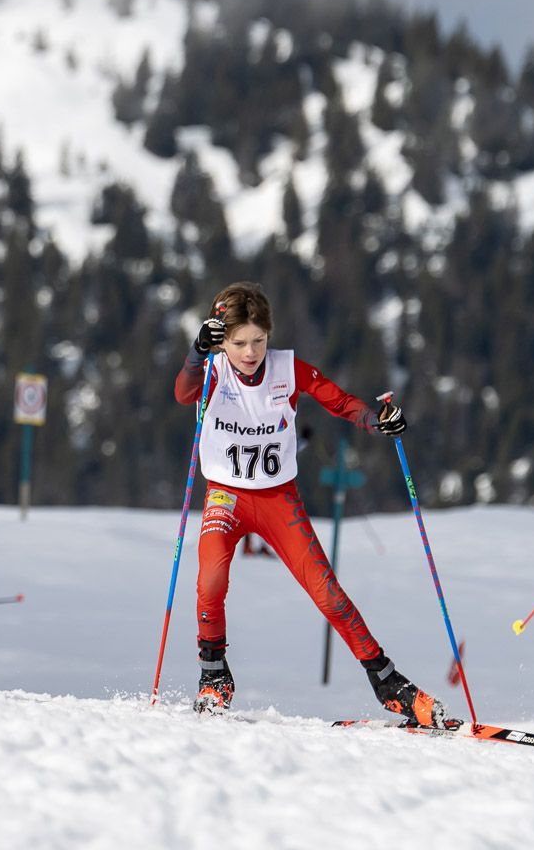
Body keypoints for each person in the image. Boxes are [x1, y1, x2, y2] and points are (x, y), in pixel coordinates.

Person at [175, 282, 445, 725]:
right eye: (239, 343)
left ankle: (388, 683)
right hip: (226, 496)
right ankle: (214, 676)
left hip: (278, 499)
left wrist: (377, 421)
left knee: (327, 592)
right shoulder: (212, 370)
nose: (250, 352)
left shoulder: (287, 369)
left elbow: (339, 402)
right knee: (210, 581)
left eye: (259, 340)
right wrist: (196, 352)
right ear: (222, 342)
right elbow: (183, 393)